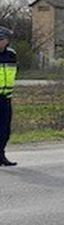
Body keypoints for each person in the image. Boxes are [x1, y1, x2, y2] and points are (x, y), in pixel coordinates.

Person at [0, 27, 18, 166]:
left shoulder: (11, 54)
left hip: (6, 97)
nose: (2, 42)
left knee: (5, 129)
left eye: (3, 39)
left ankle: (1, 154)